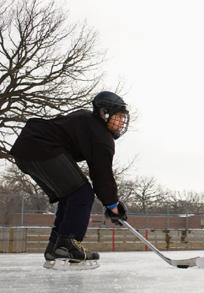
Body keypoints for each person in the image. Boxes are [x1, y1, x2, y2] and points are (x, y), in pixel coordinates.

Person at [10, 91, 129, 267]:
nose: (120, 123)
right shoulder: (101, 137)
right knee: (82, 193)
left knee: (71, 194)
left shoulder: (85, 118)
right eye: (117, 117)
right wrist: (112, 205)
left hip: (25, 150)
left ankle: (55, 246)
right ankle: (67, 245)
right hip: (41, 146)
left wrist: (111, 201)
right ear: (104, 113)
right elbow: (101, 174)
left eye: (122, 118)